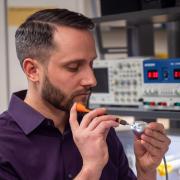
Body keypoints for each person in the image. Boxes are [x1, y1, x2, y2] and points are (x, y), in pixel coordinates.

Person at [0, 8, 170, 180]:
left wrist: (146, 171)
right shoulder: (4, 145)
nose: (92, 80)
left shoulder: (99, 130)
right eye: (73, 67)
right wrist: (91, 168)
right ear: (33, 70)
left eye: (91, 64)